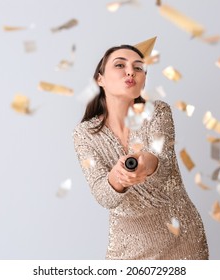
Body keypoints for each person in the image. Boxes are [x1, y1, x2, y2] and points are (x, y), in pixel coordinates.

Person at [73, 38, 209, 260]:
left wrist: (145, 163)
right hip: (128, 247)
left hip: (183, 239)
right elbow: (104, 197)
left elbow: (162, 170)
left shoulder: (158, 113)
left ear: (143, 81)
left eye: (138, 68)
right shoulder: (84, 134)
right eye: (120, 65)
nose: (131, 72)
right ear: (100, 78)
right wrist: (118, 177)